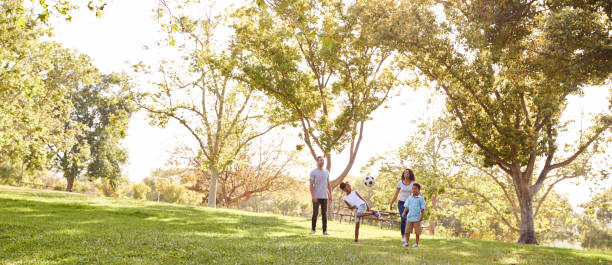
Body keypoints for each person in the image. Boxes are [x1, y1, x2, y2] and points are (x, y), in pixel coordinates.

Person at [389, 168, 416, 242]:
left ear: (410, 174)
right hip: (401, 203)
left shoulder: (413, 183)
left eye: (407, 173)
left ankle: (407, 236)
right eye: (404, 173)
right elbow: (396, 194)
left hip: (410, 204)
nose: (406, 174)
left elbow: (417, 193)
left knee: (408, 220)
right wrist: (391, 203)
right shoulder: (400, 183)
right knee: (403, 218)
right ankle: (403, 236)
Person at [309, 156, 332, 235]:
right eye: (320, 160)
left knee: (324, 215)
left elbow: (328, 184)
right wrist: (313, 196)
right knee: (315, 213)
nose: (322, 162)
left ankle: (325, 231)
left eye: (323, 160)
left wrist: (330, 195)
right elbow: (311, 185)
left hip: (324, 196)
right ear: (317, 161)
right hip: (316, 196)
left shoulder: (326, 172)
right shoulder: (313, 172)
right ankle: (313, 230)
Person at [401, 183, 426, 247]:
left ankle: (416, 243)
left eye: (415, 189)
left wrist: (422, 216)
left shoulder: (421, 198)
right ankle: (407, 242)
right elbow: (406, 206)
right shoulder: (409, 198)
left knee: (417, 232)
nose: (413, 190)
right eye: (412, 188)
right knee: (407, 231)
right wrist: (404, 212)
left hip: (417, 218)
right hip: (409, 217)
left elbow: (423, 208)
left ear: (418, 190)